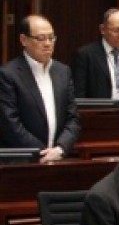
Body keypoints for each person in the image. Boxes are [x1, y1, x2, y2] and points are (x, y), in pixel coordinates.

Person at [0, 14, 80, 161]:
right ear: (24, 40)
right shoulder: (8, 75)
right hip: (21, 162)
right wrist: (42, 152)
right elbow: (10, 123)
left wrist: (61, 148)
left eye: (51, 38)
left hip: (59, 157)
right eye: (41, 38)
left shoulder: (63, 71)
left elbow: (72, 118)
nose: (48, 43)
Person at [71, 8, 119, 108]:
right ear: (102, 29)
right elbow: (79, 97)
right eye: (116, 31)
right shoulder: (85, 55)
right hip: (99, 118)